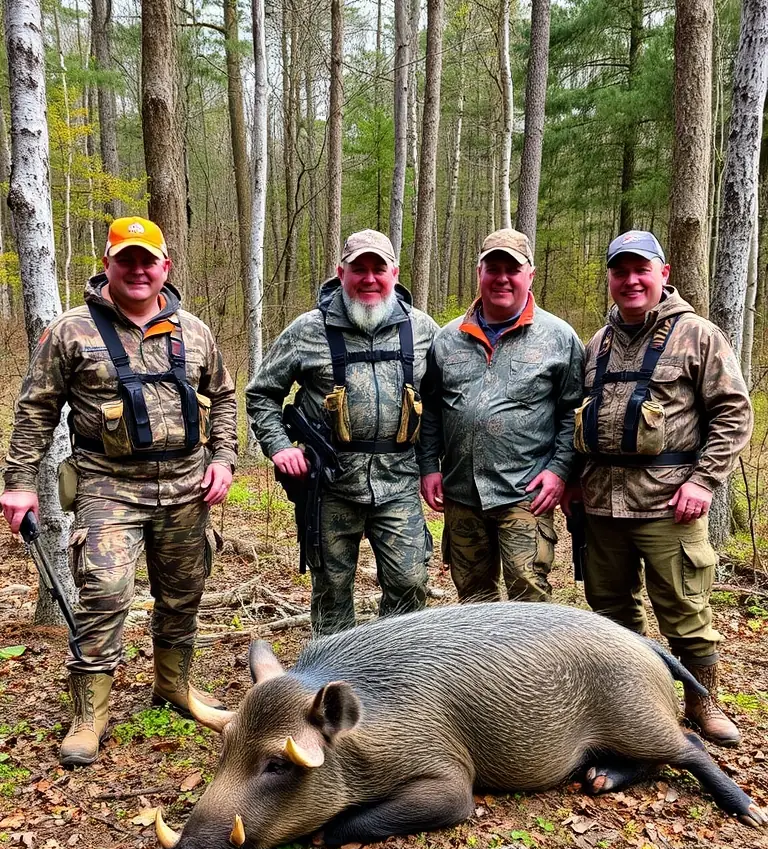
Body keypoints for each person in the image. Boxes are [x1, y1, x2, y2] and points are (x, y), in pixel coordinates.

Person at [1, 217, 238, 767]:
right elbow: (35, 409)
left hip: (186, 485)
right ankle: (89, 712)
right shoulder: (70, 331)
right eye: (125, 259)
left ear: (164, 267)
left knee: (184, 593)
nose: (137, 269)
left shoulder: (194, 331)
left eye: (146, 260)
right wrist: (18, 484)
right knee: (104, 593)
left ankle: (175, 687)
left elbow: (224, 397)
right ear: (107, 263)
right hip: (108, 485)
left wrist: (224, 460)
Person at [571, 229, 753, 746]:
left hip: (669, 504)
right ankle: (631, 703)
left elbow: (734, 413)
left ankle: (704, 703)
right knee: (611, 613)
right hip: (603, 505)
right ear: (609, 277)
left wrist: (704, 480)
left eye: (641, 270)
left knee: (685, 610)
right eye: (620, 271)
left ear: (663, 274)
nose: (630, 280)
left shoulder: (697, 335)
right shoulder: (597, 345)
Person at [247, 229, 439, 635]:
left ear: (395, 273)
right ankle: (334, 684)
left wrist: (432, 466)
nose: (369, 278)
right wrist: (279, 447)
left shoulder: (422, 330)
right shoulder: (307, 330)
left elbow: (438, 404)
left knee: (410, 582)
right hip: (331, 485)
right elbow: (261, 394)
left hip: (398, 480)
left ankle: (396, 675)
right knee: (332, 589)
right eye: (359, 269)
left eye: (378, 269)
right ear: (341, 272)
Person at [418, 228, 584, 602]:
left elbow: (572, 413)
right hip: (461, 492)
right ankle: (481, 663)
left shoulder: (559, 338)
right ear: (480, 273)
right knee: (473, 597)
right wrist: (429, 467)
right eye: (493, 268)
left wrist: (559, 472)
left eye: (513, 269)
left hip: (524, 492)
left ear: (531, 275)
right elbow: (431, 410)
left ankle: (535, 663)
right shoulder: (447, 339)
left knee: (529, 594)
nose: (502, 278)